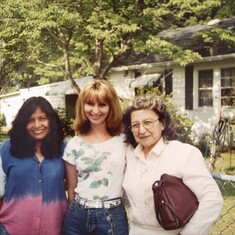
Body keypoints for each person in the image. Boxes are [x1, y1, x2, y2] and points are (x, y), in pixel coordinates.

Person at [122, 95, 223, 235]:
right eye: (135, 125)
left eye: (148, 122)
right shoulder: (129, 155)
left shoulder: (184, 154)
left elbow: (212, 199)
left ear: (162, 123)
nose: (142, 130)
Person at [62, 79, 129, 235]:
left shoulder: (125, 142)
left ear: (111, 107)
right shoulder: (73, 144)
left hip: (113, 215)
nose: (95, 110)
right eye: (90, 104)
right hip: (77, 215)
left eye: (102, 105)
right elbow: (72, 189)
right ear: (82, 106)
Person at [0, 96, 68, 235]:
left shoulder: (64, 149)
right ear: (23, 124)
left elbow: (74, 185)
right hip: (12, 229)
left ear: (51, 120)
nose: (37, 125)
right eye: (31, 120)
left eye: (42, 118)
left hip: (54, 229)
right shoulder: (7, 148)